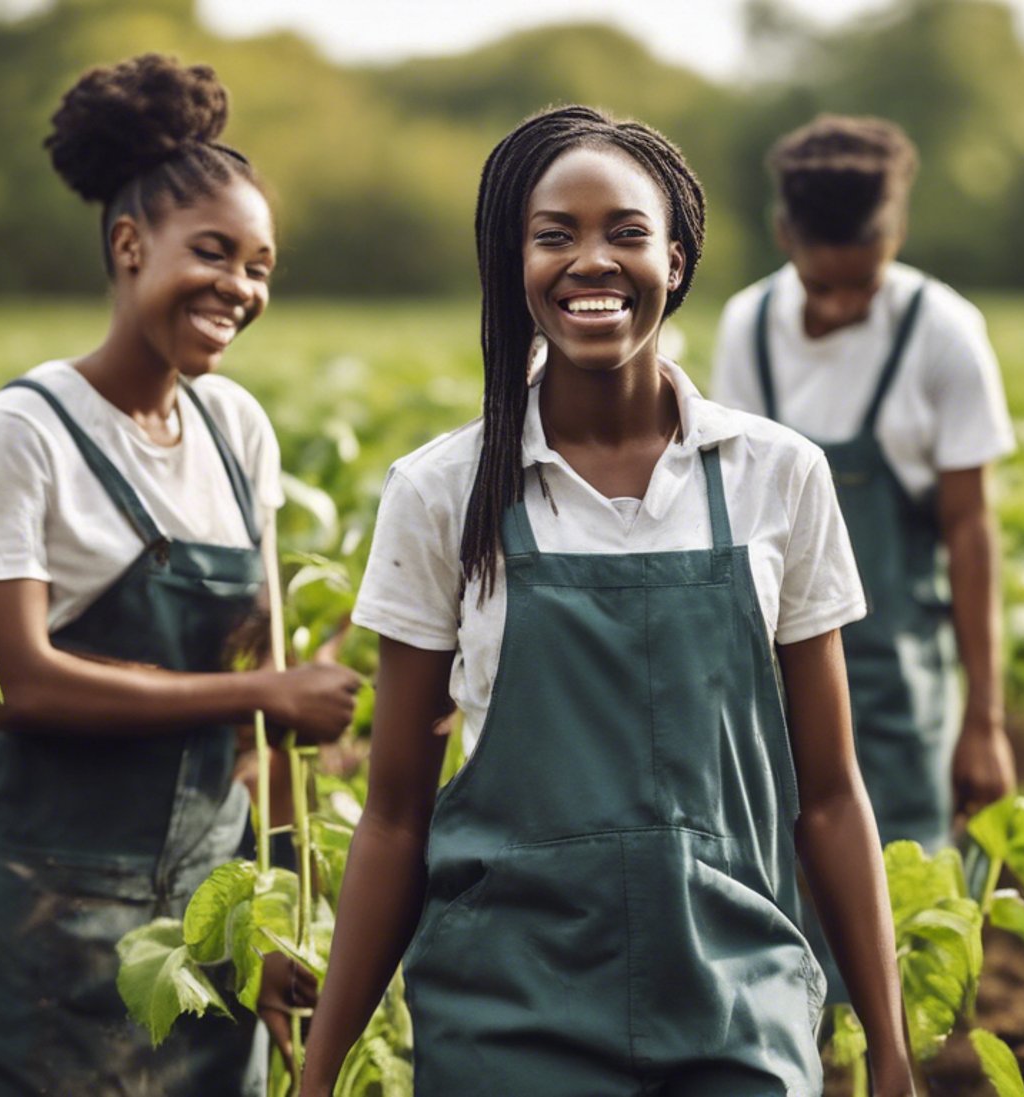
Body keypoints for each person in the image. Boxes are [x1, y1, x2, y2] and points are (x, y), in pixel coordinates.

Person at [300, 106, 911, 1097]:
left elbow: (833, 795)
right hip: (507, 1017)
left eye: (626, 231)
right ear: (514, 262)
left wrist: (889, 1047)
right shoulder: (443, 490)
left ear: (676, 259)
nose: (592, 260)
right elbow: (396, 814)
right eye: (555, 235)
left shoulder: (776, 476)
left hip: (736, 1005)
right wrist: (319, 1070)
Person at [0, 54, 360, 1094]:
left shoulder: (234, 429)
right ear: (130, 245)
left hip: (200, 924)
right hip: (39, 926)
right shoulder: (23, 432)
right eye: (213, 254)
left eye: (260, 267)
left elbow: (276, 712)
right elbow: (18, 680)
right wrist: (262, 690)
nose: (240, 289)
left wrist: (283, 908)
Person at [712, 114, 1018, 858]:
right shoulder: (747, 327)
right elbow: (734, 511)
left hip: (900, 680)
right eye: (824, 285)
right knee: (778, 872)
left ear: (899, 230)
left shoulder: (942, 332)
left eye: (863, 283)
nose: (844, 307)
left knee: (908, 876)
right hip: (771, 673)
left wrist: (985, 719)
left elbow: (970, 529)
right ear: (784, 234)